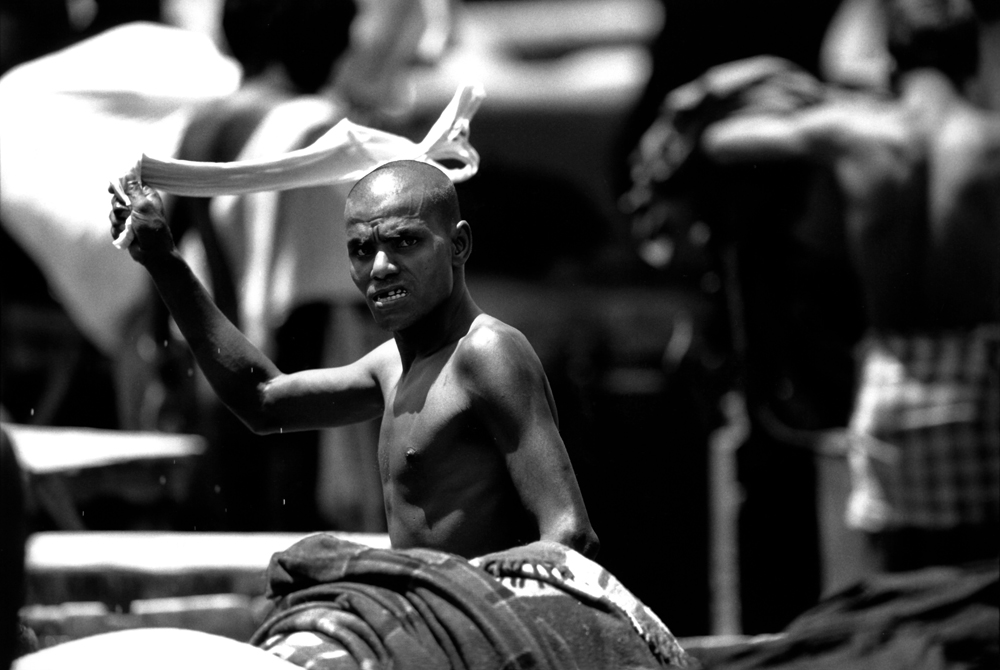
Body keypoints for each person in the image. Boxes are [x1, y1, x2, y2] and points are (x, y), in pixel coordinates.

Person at [108, 159, 599, 560]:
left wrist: (440, 596)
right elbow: (263, 402)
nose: (381, 267)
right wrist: (162, 259)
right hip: (429, 625)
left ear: (458, 245)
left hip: (480, 635)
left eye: (405, 241)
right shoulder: (390, 366)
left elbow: (570, 535)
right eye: (362, 250)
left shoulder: (487, 353)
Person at [696, 0, 1000, 574]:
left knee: (901, 591)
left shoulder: (852, 133)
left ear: (892, 65)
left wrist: (821, 101)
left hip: (890, 380)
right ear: (973, 63)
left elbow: (723, 142)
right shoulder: (988, 143)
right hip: (983, 380)